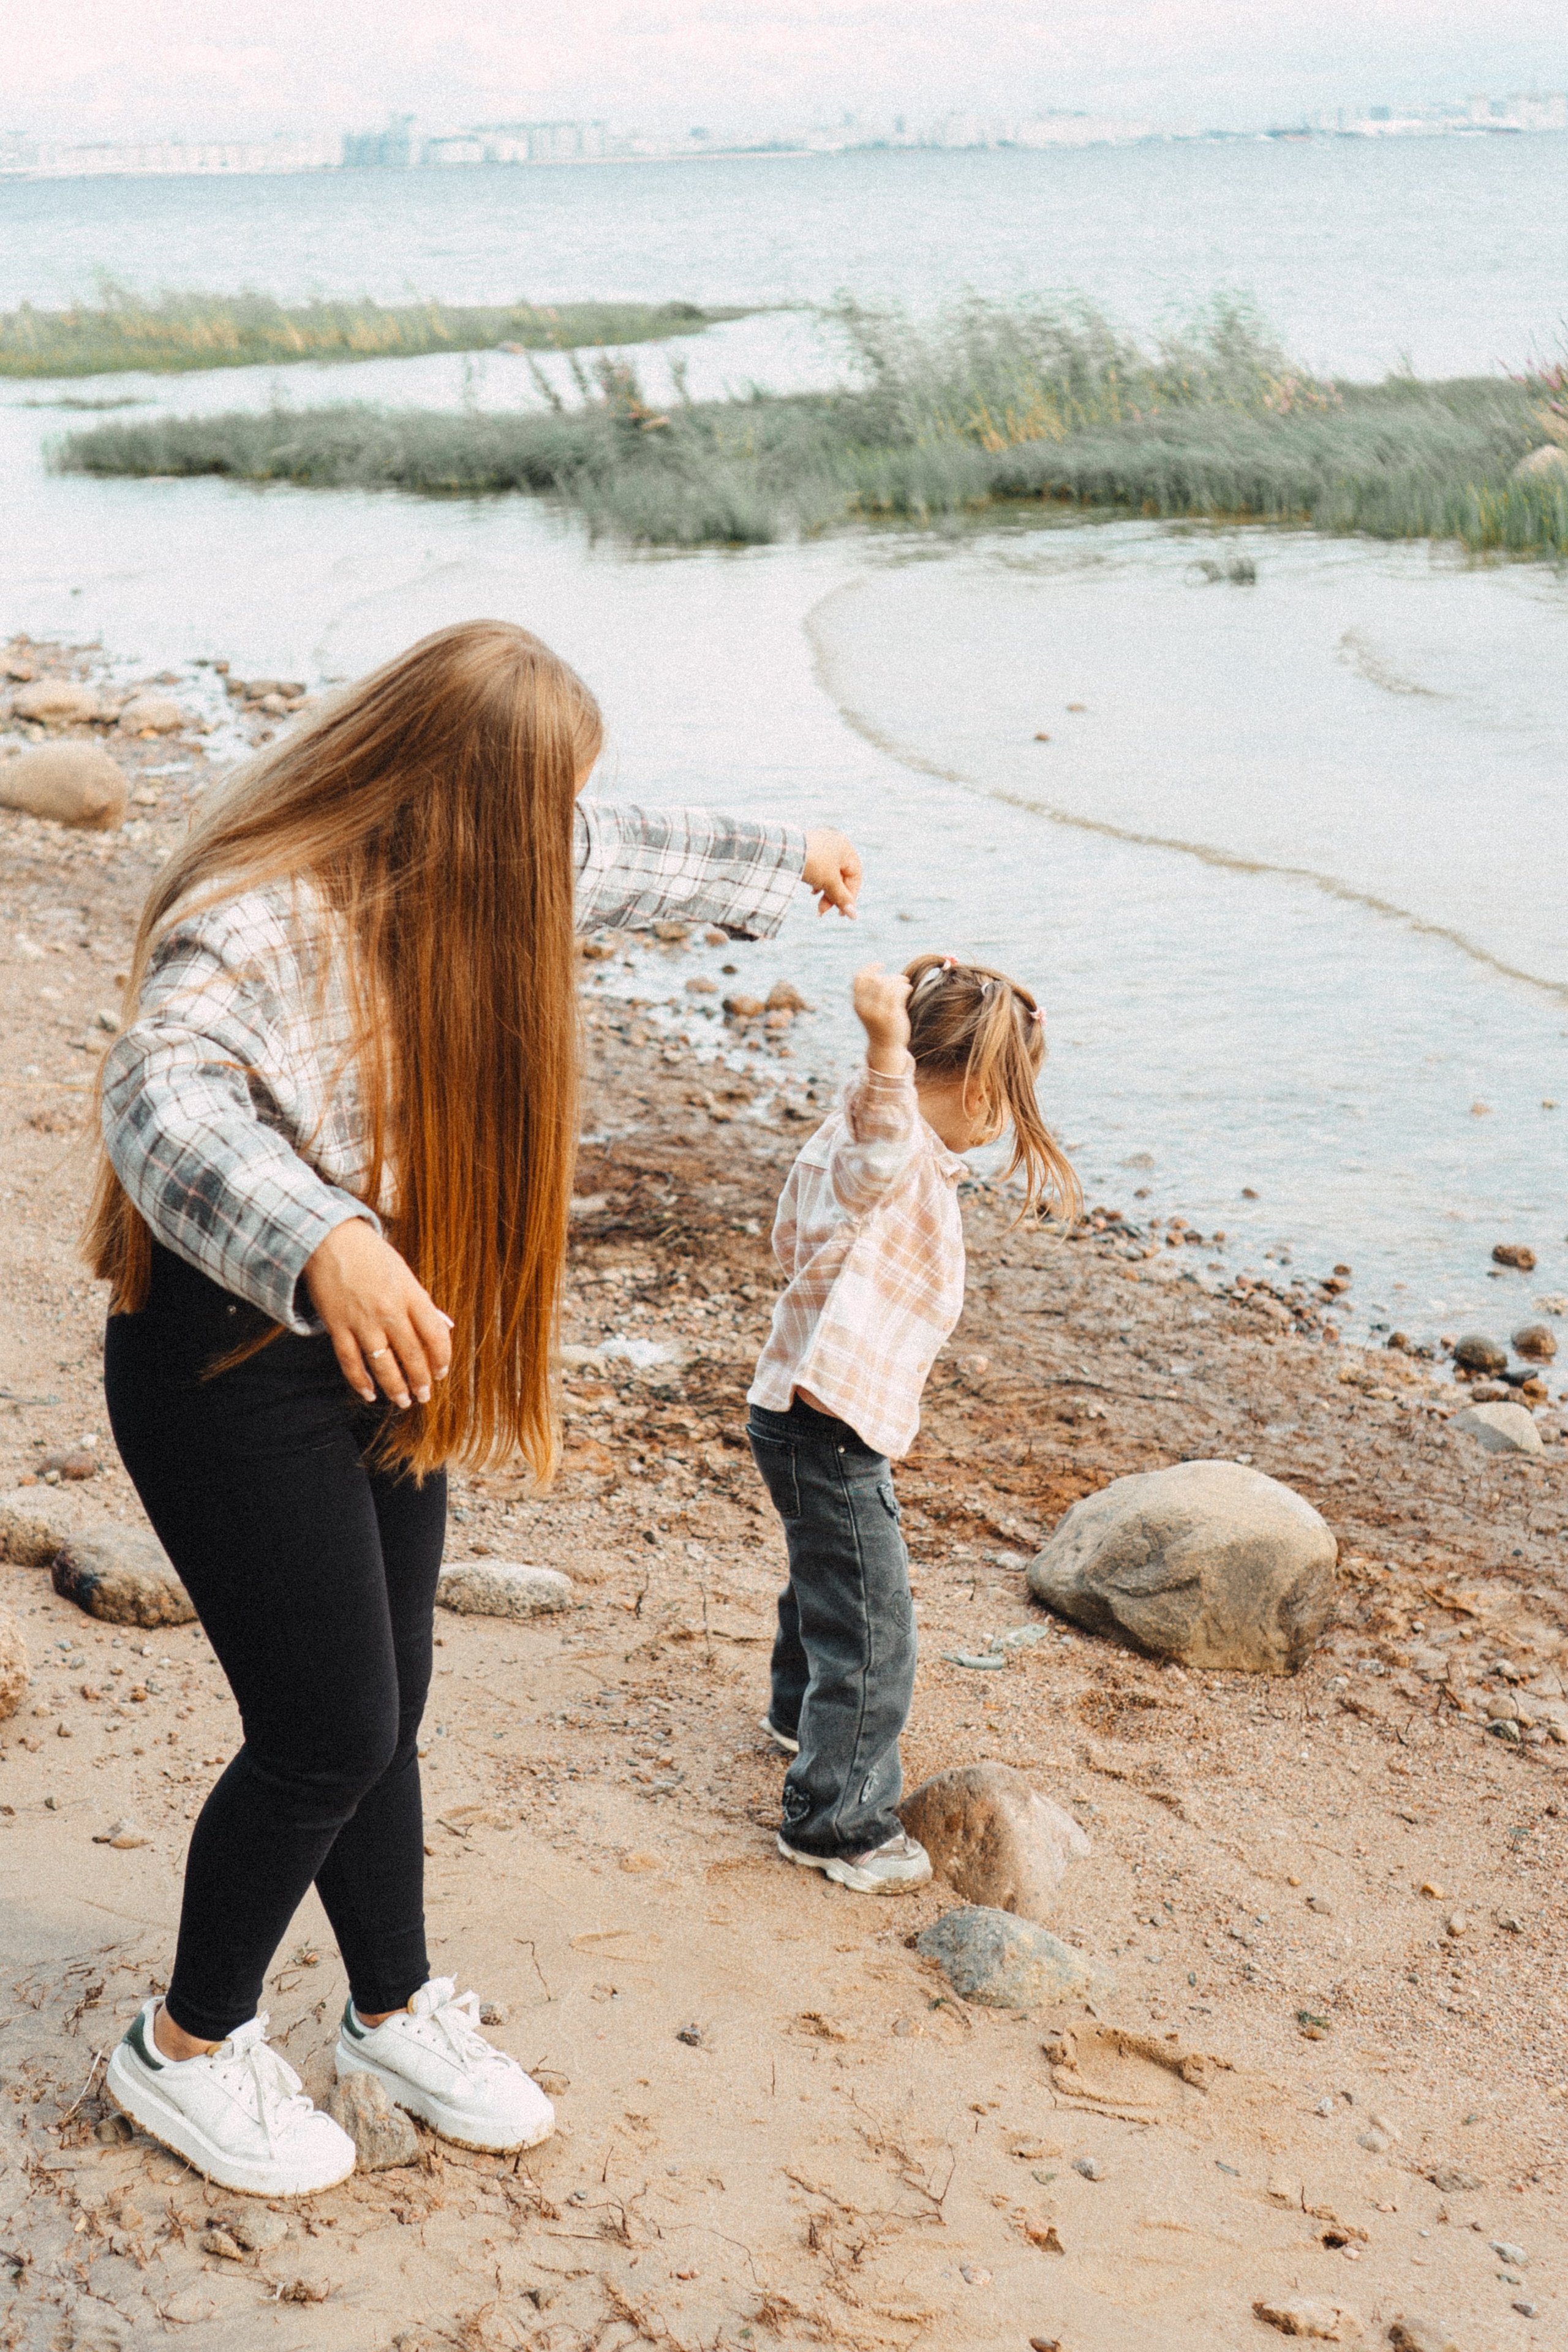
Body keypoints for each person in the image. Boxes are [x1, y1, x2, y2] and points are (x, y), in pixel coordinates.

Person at [86, 619, 864, 2197]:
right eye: (541, 807)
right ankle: (183, 2047)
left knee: (392, 1704)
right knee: (326, 1730)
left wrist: (794, 858)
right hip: (228, 1358)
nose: (559, 841)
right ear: (441, 792)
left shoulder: (486, 855)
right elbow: (158, 1090)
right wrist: (322, 1237)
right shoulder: (266, 915)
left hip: (385, 1351)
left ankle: (387, 2007)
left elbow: (622, 850)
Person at [745, 952, 1080, 1894]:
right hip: (827, 1426)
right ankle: (836, 1820)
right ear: (974, 1085)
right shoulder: (880, 1147)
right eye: (1006, 1100)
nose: (1006, 1124)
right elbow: (883, 1125)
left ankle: (794, 1714)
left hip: (814, 1415)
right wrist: (888, 1041)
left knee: (826, 1583)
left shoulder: (867, 1144)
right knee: (873, 1626)